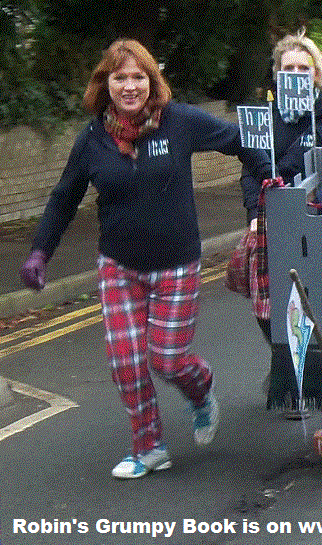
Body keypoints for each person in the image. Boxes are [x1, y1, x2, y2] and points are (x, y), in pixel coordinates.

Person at [20, 39, 271, 479]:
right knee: (126, 362)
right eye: (120, 78)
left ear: (151, 81)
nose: (130, 86)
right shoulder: (92, 140)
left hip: (176, 263)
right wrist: (41, 251)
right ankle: (149, 446)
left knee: (168, 359)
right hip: (118, 266)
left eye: (139, 76)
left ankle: (201, 390)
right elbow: (63, 199)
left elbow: (239, 141)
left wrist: (267, 178)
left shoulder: (179, 122)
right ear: (106, 84)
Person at [243, 32, 322, 348]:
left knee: (316, 298)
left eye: (303, 69)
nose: (295, 76)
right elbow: (249, 171)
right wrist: (253, 213)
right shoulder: (265, 119)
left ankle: (315, 364)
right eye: (288, 69)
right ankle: (284, 358)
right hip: (270, 222)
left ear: (316, 73)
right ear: (277, 75)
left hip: (318, 223)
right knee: (266, 306)